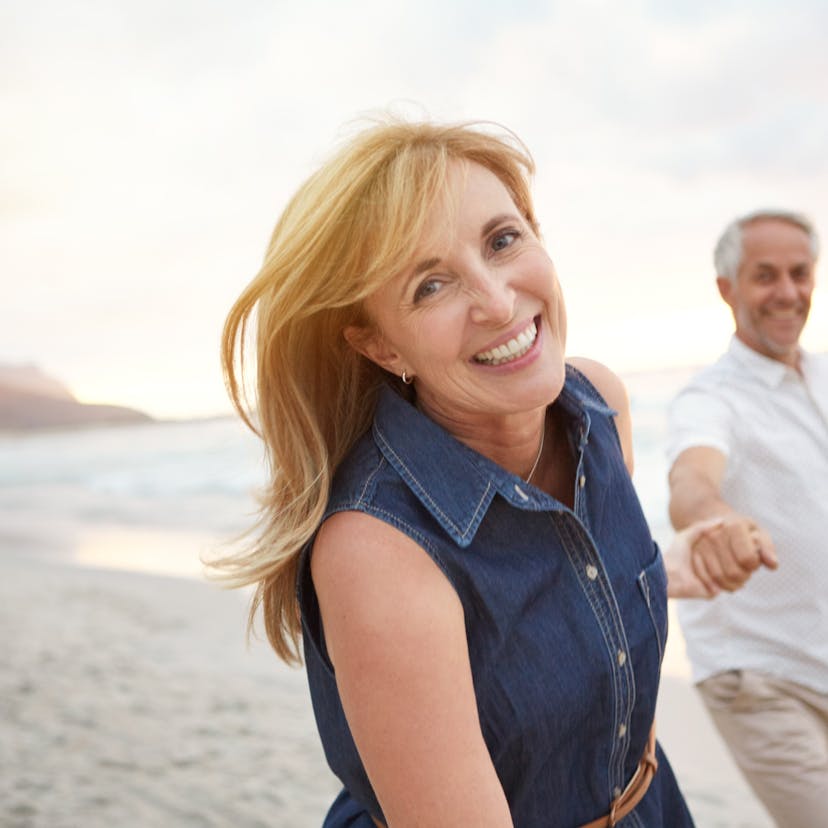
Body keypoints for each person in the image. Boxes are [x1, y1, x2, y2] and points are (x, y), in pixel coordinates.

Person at [216, 117, 710, 827]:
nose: (499, 301)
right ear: (382, 346)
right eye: (431, 286)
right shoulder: (378, 551)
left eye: (503, 240)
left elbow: (575, 600)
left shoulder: (601, 408)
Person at [666, 209, 828, 827]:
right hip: (759, 675)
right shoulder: (710, 398)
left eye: (799, 273)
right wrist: (718, 522)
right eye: (765, 276)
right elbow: (691, 482)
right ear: (727, 289)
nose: (787, 292)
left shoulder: (822, 374)